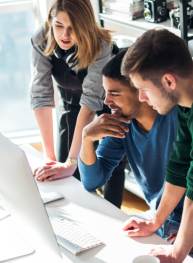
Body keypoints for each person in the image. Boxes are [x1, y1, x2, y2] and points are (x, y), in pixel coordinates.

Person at [30, 0, 126, 208]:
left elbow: (91, 104)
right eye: (59, 26)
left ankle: (111, 217)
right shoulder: (41, 39)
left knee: (108, 166)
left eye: (73, 28)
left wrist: (71, 163)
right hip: (70, 105)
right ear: (50, 22)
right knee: (65, 173)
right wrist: (50, 158)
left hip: (105, 108)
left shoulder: (102, 45)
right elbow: (41, 95)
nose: (64, 35)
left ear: (86, 25)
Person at [78, 50, 184, 240]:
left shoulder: (178, 119)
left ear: (140, 90)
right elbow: (92, 181)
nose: (106, 101)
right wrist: (86, 138)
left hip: (183, 224)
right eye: (106, 92)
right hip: (157, 218)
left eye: (114, 93)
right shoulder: (122, 124)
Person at [121, 28, 193, 262]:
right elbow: (181, 164)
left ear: (168, 81)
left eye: (143, 90)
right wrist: (155, 221)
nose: (141, 98)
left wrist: (177, 252)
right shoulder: (185, 101)